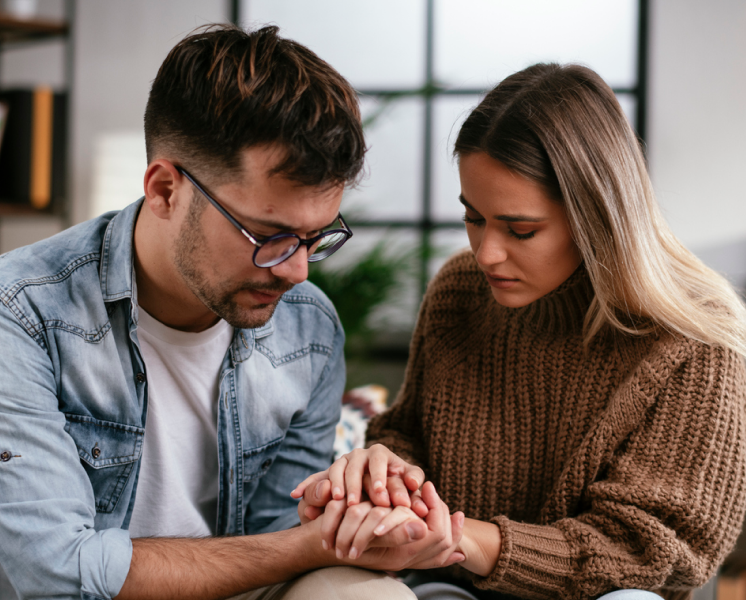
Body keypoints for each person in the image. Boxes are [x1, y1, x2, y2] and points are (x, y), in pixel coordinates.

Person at [0, 24, 464, 600]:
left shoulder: (308, 327)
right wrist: (313, 543)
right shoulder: (12, 312)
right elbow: (59, 573)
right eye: (269, 234)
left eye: (316, 237)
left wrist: (365, 529)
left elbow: (276, 538)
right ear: (166, 189)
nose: (298, 271)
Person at [293, 63, 746, 600]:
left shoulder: (695, 339)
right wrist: (387, 473)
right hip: (445, 589)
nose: (486, 254)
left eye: (521, 229)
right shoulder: (460, 290)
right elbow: (408, 432)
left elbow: (648, 552)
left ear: (596, 216)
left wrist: (461, 539)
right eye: (473, 217)